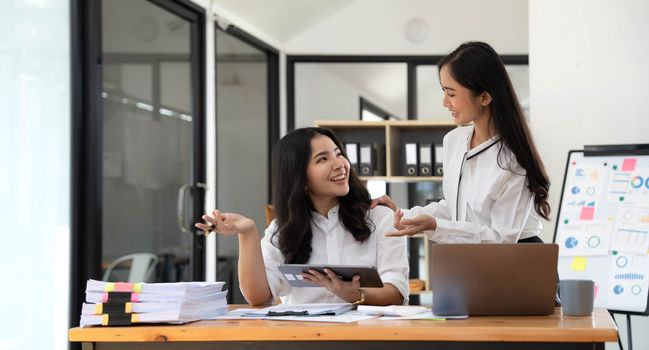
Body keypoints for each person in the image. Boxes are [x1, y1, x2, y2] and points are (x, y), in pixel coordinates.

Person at [196, 127, 409, 306]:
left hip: (367, 336)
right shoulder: (283, 229)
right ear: (300, 178)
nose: (339, 164)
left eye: (338, 153)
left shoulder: (380, 218)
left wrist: (354, 295)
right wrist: (247, 233)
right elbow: (257, 296)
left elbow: (397, 293)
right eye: (323, 159)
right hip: (304, 337)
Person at [374, 41, 551, 244]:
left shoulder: (512, 159)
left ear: (484, 97)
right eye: (444, 91)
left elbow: (501, 239)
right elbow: (455, 208)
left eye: (451, 94)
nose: (444, 102)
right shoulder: (454, 140)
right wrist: (399, 214)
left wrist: (437, 226)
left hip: (517, 261)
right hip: (470, 257)